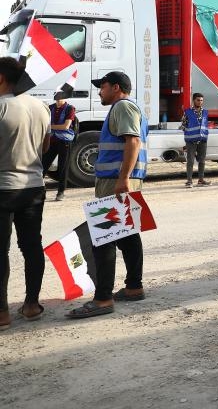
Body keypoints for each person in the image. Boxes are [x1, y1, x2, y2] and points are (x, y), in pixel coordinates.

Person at [66, 71, 149, 319]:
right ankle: (134, 287)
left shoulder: (122, 107)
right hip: (120, 180)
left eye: (102, 87)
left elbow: (133, 142)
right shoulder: (126, 107)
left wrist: (123, 179)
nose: (99, 91)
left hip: (116, 181)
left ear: (115, 87)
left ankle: (103, 299)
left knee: (103, 239)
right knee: (127, 235)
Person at [0, 57, 50, 329]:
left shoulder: (2, 107)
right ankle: (31, 305)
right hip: (33, 186)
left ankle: (2, 313)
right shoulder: (41, 107)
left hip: (3, 188)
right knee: (31, 246)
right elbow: (45, 147)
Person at [41, 90, 76, 201]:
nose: (58, 101)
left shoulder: (70, 108)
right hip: (52, 140)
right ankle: (39, 191)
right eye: (56, 99)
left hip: (65, 141)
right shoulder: (50, 107)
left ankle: (61, 192)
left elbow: (66, 126)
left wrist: (50, 126)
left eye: (60, 98)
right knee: (43, 165)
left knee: (63, 167)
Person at [180, 92, 212, 188]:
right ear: (194, 100)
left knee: (202, 161)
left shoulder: (205, 112)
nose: (200, 102)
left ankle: (201, 180)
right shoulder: (187, 112)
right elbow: (183, 125)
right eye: (198, 100)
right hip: (191, 140)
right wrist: (189, 133)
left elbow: (205, 124)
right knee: (190, 161)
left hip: (203, 140)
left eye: (201, 100)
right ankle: (189, 181)